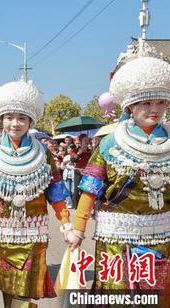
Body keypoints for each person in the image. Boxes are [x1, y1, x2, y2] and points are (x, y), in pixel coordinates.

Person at [66, 46, 170, 307]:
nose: (154, 109)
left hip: (163, 238)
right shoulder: (110, 143)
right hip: (116, 240)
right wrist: (78, 230)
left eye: (160, 102)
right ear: (131, 106)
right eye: (146, 102)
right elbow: (90, 189)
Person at [0, 79, 71, 308]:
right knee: (7, 286)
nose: (15, 123)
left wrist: (67, 223)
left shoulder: (43, 153)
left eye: (22, 118)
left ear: (31, 120)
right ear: (0, 120)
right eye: (9, 117)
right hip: (0, 234)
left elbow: (56, 191)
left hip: (33, 234)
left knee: (25, 289)